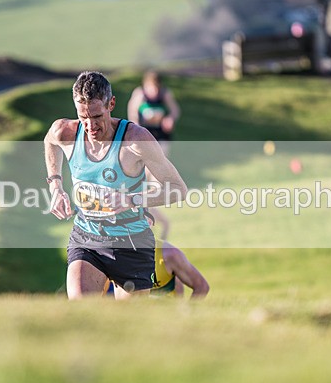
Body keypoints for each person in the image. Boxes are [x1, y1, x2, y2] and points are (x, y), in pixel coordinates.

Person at [44, 71, 188, 300]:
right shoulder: (65, 131)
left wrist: (132, 200)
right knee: (82, 308)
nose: (90, 126)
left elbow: (178, 189)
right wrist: (55, 186)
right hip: (87, 237)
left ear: (111, 104)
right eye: (83, 117)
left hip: (132, 242)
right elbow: (49, 141)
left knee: (128, 326)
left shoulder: (136, 140)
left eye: (97, 116)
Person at [126, 70, 181, 239]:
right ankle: (150, 217)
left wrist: (169, 119)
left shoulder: (165, 94)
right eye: (152, 88)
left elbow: (175, 111)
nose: (155, 92)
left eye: (157, 88)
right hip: (145, 142)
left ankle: (151, 217)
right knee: (146, 178)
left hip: (161, 140)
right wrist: (137, 131)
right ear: (146, 85)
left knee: (156, 182)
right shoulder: (139, 94)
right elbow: (132, 115)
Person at [105, 239, 210, 300]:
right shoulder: (109, 254)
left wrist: (188, 314)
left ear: (149, 223)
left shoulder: (170, 254)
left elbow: (202, 286)